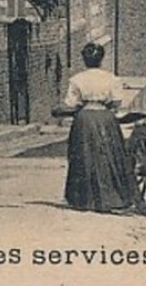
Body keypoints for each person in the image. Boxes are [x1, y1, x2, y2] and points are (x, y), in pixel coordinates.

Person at [53, 42, 135, 214]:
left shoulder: (76, 79)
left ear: (84, 59)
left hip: (84, 119)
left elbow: (71, 104)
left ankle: (83, 199)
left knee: (83, 155)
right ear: (101, 59)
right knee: (109, 154)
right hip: (106, 118)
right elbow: (117, 102)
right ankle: (113, 198)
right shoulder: (112, 78)